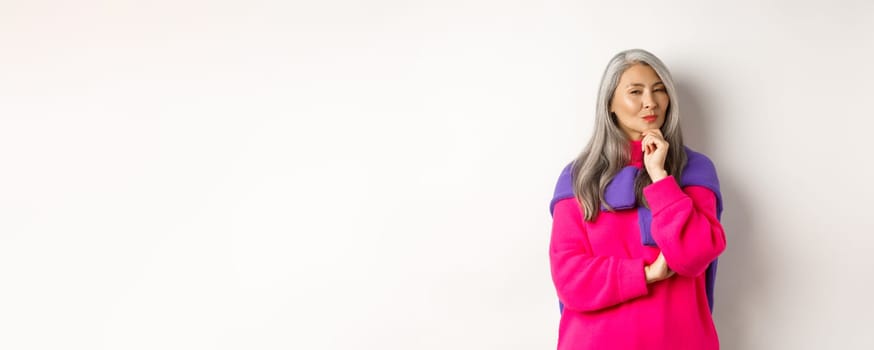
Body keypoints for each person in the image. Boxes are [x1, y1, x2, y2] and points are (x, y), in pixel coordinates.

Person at [548, 48, 727, 349]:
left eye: (659, 90)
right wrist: (645, 274)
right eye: (635, 91)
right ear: (610, 104)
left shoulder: (694, 169)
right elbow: (569, 277)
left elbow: (695, 254)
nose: (651, 102)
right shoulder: (578, 177)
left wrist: (660, 176)